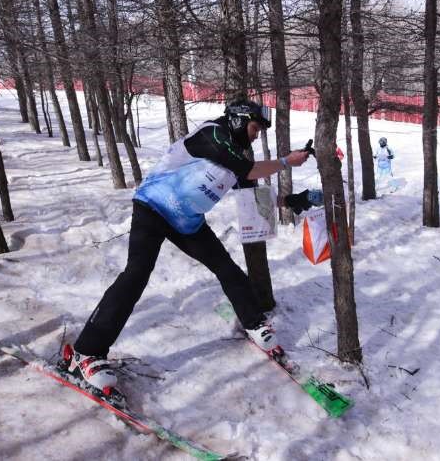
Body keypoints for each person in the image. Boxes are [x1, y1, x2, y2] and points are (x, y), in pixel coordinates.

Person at [69, 99, 312, 390]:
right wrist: (286, 161)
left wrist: (290, 201)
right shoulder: (213, 135)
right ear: (238, 119)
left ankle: (253, 322)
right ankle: (86, 351)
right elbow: (247, 170)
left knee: (228, 269)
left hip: (187, 223)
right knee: (136, 275)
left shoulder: (237, 155)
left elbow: (250, 192)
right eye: (255, 127)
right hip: (153, 208)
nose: (256, 134)